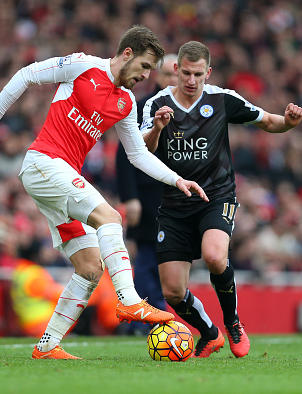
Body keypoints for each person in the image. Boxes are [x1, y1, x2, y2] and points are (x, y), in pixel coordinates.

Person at [0, 26, 208, 360]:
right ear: (127, 53)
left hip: (58, 178)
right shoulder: (83, 66)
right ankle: (129, 301)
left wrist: (176, 180)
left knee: (91, 267)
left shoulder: (125, 103)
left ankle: (48, 345)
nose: (146, 75)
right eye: (144, 66)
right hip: (44, 163)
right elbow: (27, 74)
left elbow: (137, 154)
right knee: (110, 216)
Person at [141, 41, 302, 358]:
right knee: (172, 292)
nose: (191, 80)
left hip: (216, 196)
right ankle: (210, 333)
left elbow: (269, 121)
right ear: (175, 70)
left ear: (208, 72)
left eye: (198, 74)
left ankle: (232, 324)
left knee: (215, 257)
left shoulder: (221, 99)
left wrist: (289, 123)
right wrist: (158, 128)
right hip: (174, 205)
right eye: (186, 73)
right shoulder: (156, 104)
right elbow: (143, 150)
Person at [115, 54, 178, 335]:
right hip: (148, 195)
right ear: (157, 77)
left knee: (170, 259)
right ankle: (153, 317)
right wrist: (130, 197)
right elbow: (122, 155)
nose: (174, 81)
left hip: (177, 196)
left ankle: (149, 318)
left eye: (178, 75)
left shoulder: (190, 110)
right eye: (168, 75)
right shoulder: (141, 107)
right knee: (147, 260)